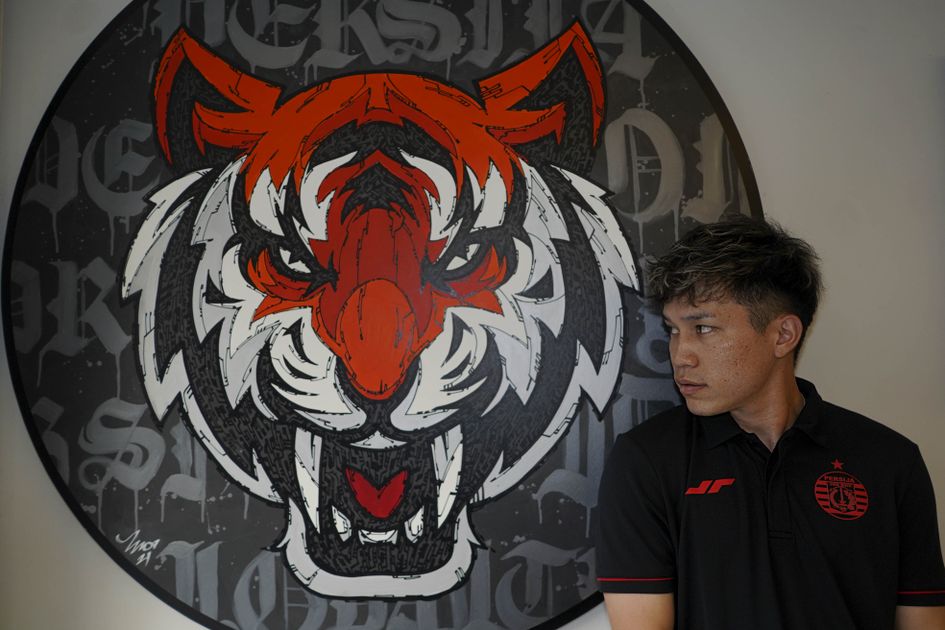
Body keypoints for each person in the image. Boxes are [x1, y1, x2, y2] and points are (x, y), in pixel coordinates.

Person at [595, 217, 945, 630]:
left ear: (783, 335)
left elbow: (923, 620)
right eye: (673, 330)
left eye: (703, 328)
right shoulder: (646, 462)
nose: (680, 355)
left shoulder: (891, 460)